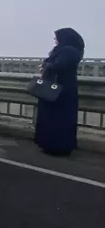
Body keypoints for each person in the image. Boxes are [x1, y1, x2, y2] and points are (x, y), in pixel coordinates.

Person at [34, 27, 84, 156]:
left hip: (62, 90)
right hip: (55, 88)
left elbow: (59, 65)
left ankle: (59, 147)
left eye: (57, 37)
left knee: (59, 120)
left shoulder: (70, 51)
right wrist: (46, 64)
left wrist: (45, 66)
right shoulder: (62, 50)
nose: (55, 40)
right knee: (50, 119)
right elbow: (50, 61)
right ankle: (49, 145)